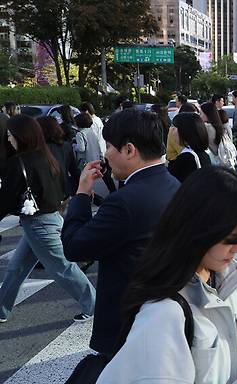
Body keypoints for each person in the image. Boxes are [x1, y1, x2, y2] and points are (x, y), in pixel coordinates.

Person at [97, 167, 237, 384]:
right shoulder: (164, 314)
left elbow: (234, 340)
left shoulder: (227, 278)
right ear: (197, 230)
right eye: (230, 239)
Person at [61, 108, 180, 356]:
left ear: (129, 150)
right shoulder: (172, 184)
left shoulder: (125, 201)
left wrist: (82, 194)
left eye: (109, 147)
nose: (106, 155)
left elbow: (74, 247)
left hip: (127, 318)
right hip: (161, 309)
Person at [0, 115, 96, 323]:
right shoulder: (47, 155)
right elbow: (64, 187)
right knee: (17, 267)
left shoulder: (18, 163)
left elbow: (4, 200)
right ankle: (1, 308)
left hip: (38, 224)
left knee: (62, 268)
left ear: (20, 136)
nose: (8, 139)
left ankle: (94, 305)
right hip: (50, 217)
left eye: (10, 135)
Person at [37, 116, 79, 197]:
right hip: (64, 189)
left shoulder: (39, 149)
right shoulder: (66, 146)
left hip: (46, 193)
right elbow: (74, 170)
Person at [168, 113, 212, 182]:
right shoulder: (204, 153)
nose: (172, 132)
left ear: (185, 131)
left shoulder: (187, 158)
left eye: (174, 128)